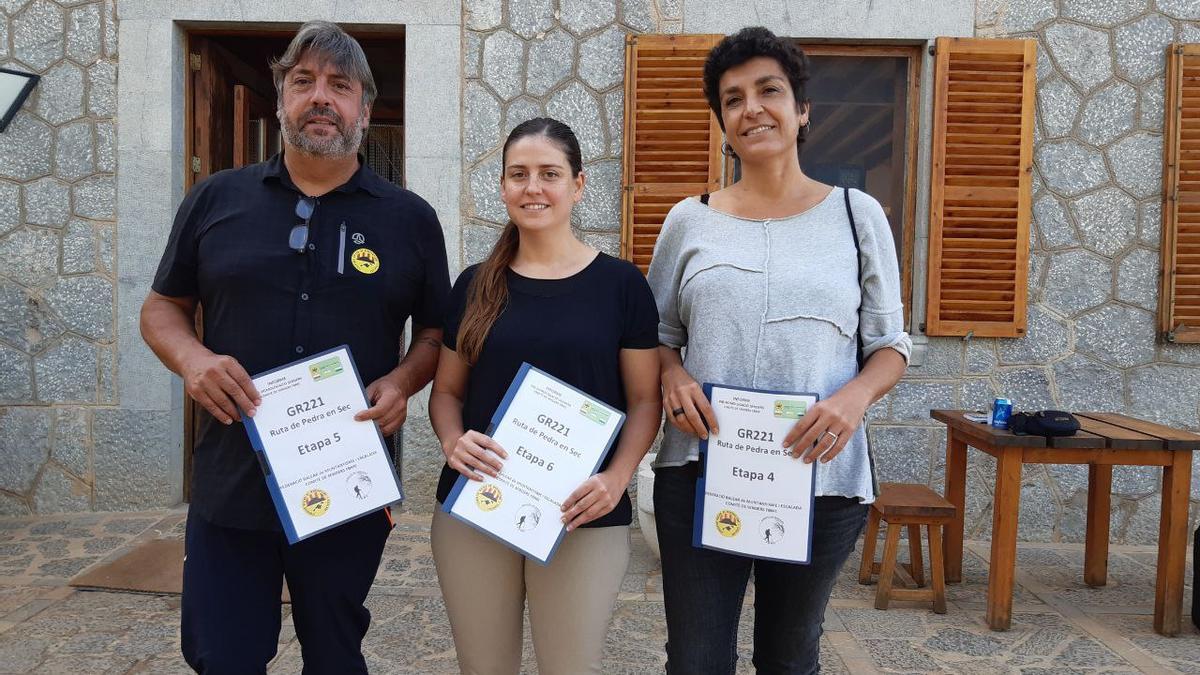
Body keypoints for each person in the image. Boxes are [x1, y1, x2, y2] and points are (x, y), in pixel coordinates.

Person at [139, 21, 450, 674]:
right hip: (230, 478)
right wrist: (193, 361)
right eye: (303, 80)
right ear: (280, 98)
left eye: (340, 85)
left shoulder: (410, 219)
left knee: (335, 651)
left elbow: (434, 334)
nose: (321, 97)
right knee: (222, 653)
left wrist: (401, 383)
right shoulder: (214, 200)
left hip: (345, 479)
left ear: (365, 107)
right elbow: (163, 307)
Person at [646, 27, 911, 674]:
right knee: (696, 660)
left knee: (790, 658)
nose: (752, 108)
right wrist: (672, 375)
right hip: (701, 472)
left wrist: (854, 398)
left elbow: (890, 345)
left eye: (769, 91)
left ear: (802, 110)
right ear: (722, 122)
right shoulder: (690, 219)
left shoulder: (857, 214)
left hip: (822, 474)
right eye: (733, 98)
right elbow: (653, 337)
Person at [428, 117, 662, 674]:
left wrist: (618, 476)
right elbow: (445, 393)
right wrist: (452, 441)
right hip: (478, 505)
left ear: (578, 185)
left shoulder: (621, 286)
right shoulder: (475, 284)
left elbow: (646, 401)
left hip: (583, 513)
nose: (533, 187)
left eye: (549, 174)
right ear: (504, 186)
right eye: (519, 174)